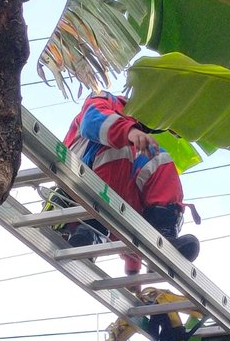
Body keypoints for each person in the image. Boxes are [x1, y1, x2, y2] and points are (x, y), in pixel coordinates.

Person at [63, 91, 200, 273]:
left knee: (159, 160)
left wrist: (133, 268)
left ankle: (163, 236)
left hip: (108, 206)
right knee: (120, 145)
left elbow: (126, 205)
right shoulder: (106, 100)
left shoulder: (134, 148)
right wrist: (130, 132)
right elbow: (91, 121)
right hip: (78, 177)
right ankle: (91, 228)